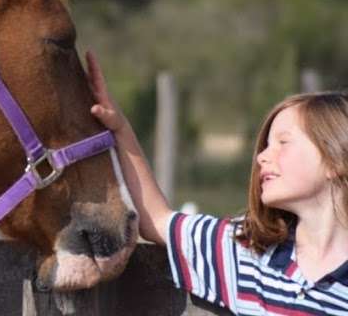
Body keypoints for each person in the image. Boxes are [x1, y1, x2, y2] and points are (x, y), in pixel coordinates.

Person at [85, 50, 348, 315]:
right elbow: (157, 219)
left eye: (283, 143)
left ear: (336, 159)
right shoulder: (246, 252)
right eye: (266, 145)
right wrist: (120, 127)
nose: (262, 157)